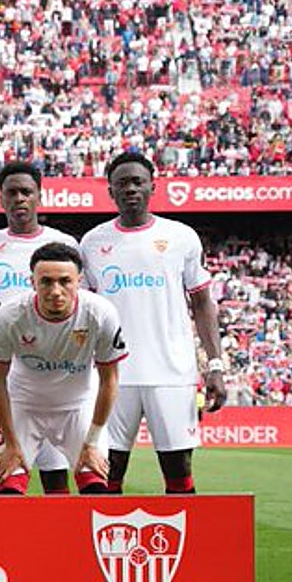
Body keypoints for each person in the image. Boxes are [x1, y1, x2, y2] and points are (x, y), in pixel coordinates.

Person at [80, 151, 227, 494]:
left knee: (178, 468)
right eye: (122, 183)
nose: (130, 189)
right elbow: (84, 312)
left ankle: (186, 544)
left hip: (171, 371)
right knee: (106, 469)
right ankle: (102, 546)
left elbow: (202, 303)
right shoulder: (92, 242)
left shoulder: (181, 237)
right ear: (110, 191)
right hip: (112, 374)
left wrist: (215, 364)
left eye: (137, 182)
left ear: (152, 187)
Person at [0, 159, 81, 493]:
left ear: (39, 196)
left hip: (53, 373)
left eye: (26, 192)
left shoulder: (65, 244)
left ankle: (56, 541)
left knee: (55, 472)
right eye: (12, 192)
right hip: (3, 374)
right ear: (1, 198)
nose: (19, 199)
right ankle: (2, 543)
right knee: (3, 469)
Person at [0, 242, 127, 495]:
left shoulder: (101, 313)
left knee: (95, 484)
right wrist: (10, 443)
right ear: (32, 282)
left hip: (78, 407)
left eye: (65, 281)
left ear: (79, 281)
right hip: (23, 406)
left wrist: (92, 441)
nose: (56, 290)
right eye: (46, 281)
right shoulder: (10, 316)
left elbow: (110, 380)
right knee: (8, 487)